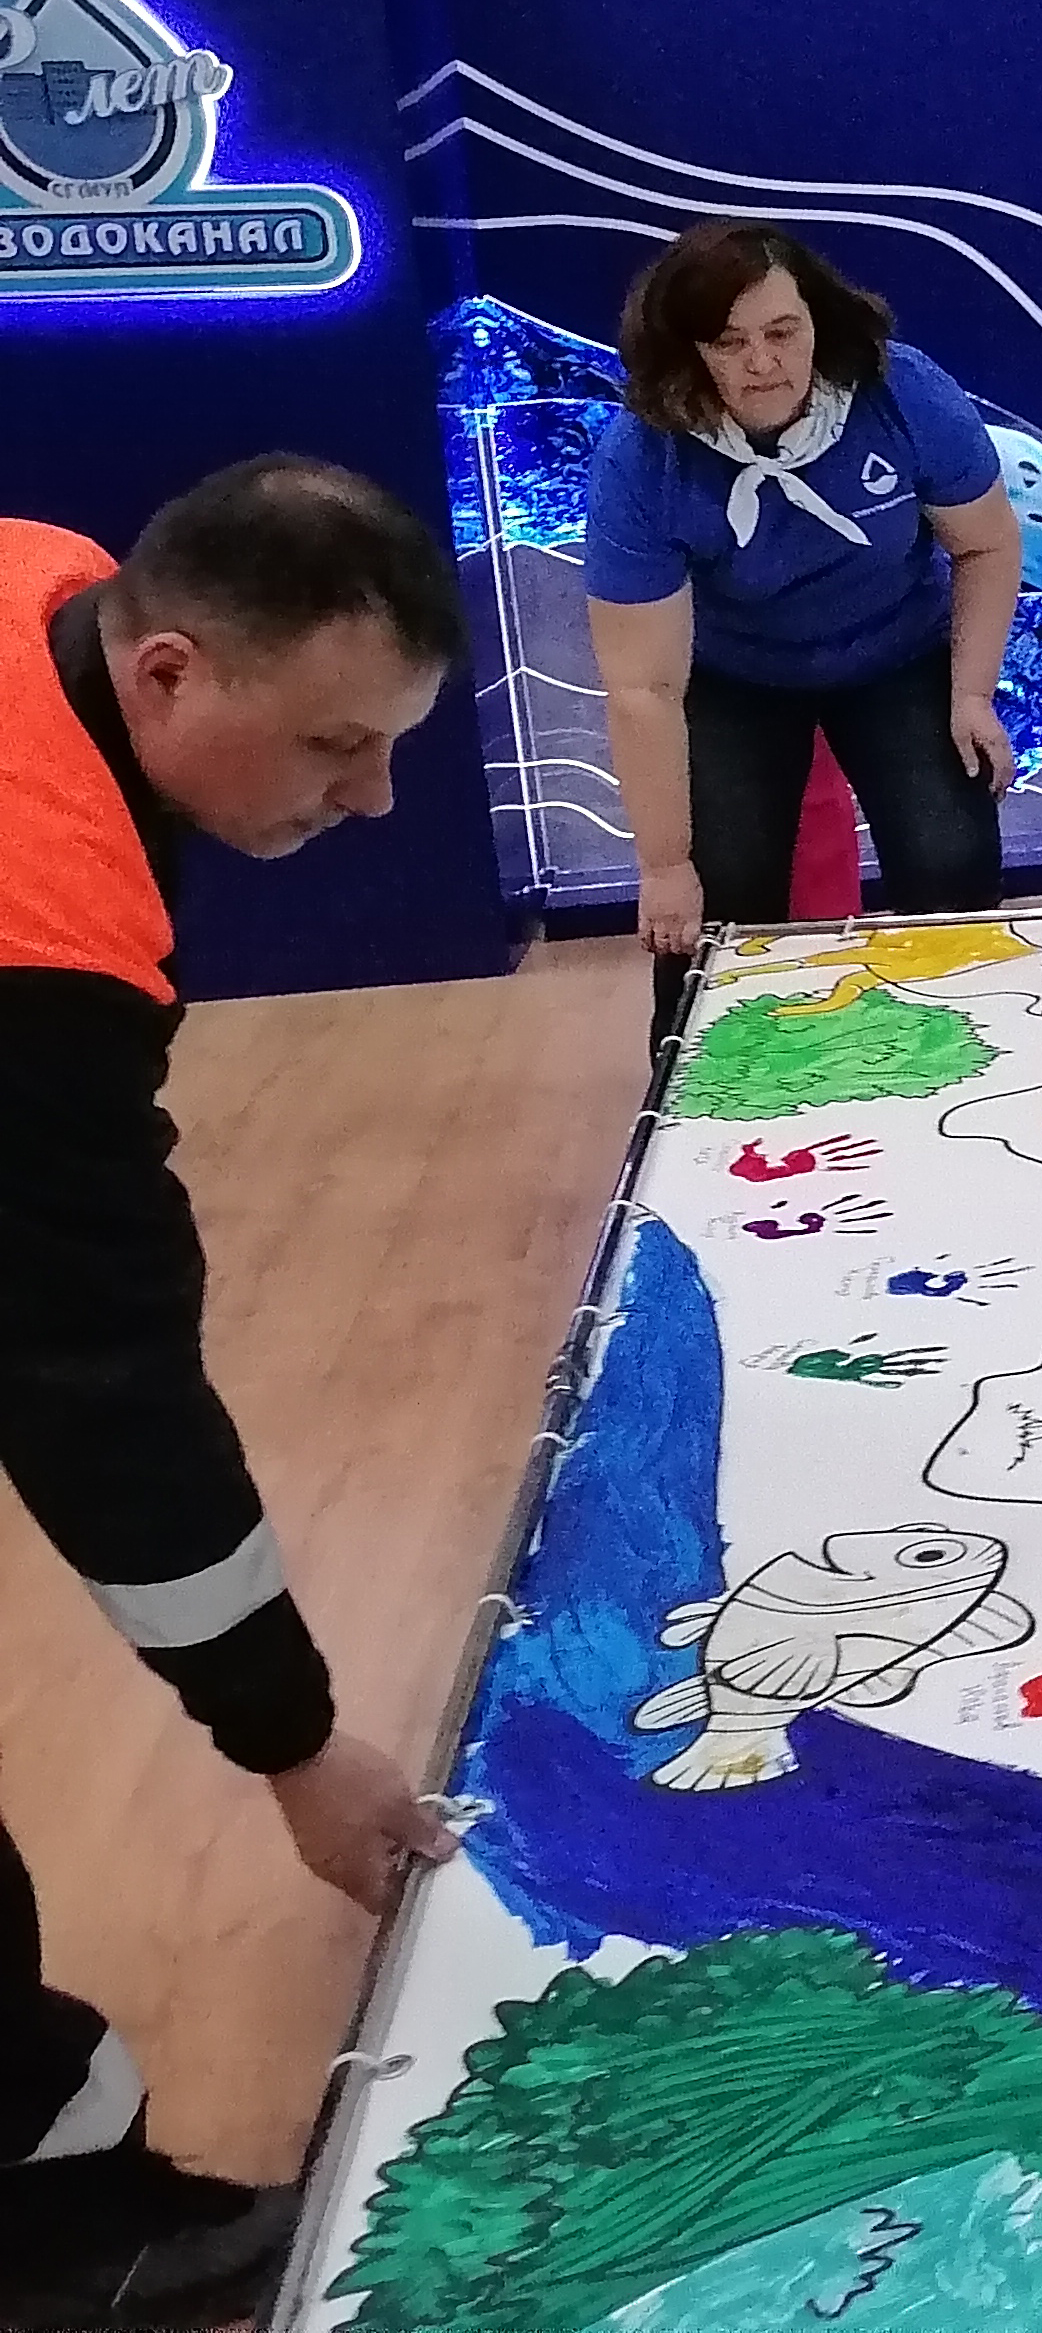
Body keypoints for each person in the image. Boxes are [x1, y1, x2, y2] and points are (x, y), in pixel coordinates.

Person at [0, 458, 466, 2324]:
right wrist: (289, 1738)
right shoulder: (33, 948)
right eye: (336, 747)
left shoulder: (56, 583)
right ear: (172, 671)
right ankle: (52, 2237)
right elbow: (99, 1384)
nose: (372, 799)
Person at [584, 220, 1025, 1037]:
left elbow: (988, 544)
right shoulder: (643, 458)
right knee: (716, 899)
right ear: (690, 353)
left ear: (819, 323)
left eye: (782, 332)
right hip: (735, 674)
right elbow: (643, 685)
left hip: (897, 651)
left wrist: (972, 693)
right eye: (730, 342)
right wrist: (664, 864)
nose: (762, 362)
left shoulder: (904, 392)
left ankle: (972, 1051)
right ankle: (693, 1091)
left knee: (948, 858)